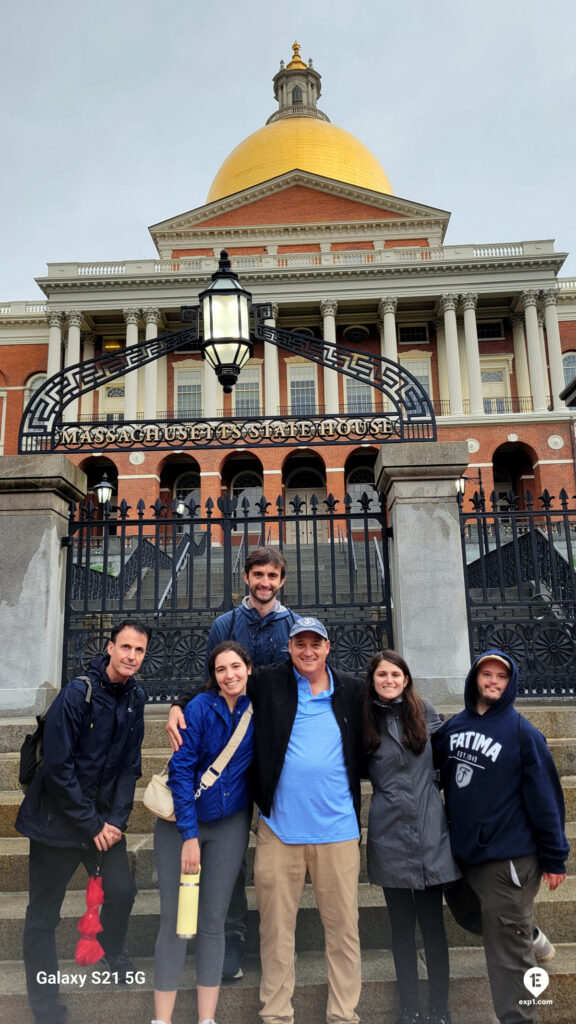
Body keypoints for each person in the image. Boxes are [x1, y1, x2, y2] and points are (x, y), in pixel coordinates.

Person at [167, 545, 299, 979]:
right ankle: (232, 936)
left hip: (276, 749)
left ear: (281, 581)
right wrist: (178, 704)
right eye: (257, 574)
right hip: (233, 751)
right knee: (233, 851)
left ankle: (278, 938)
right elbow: (211, 677)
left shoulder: (293, 625)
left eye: (272, 576)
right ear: (246, 577)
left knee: (280, 848)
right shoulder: (226, 623)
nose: (264, 582)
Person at [16, 619, 149, 1024]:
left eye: (139, 650)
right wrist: (92, 824)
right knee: (43, 917)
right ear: (110, 648)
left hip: (102, 824)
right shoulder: (77, 694)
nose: (131, 656)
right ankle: (45, 1006)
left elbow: (130, 768)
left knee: (123, 891)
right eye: (125, 647)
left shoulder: (135, 699)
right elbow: (57, 768)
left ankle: (110, 948)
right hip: (57, 823)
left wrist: (115, 822)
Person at [432, 650, 569, 1024]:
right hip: (464, 855)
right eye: (486, 674)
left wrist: (556, 857)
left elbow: (547, 799)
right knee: (470, 912)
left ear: (510, 684)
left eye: (501, 677)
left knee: (508, 956)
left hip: (509, 857)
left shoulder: (524, 734)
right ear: (474, 678)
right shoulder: (454, 727)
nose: (493, 681)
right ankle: (528, 930)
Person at [250, 616, 364, 1024]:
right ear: (290, 647)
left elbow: (398, 701)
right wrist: (177, 706)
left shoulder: (352, 690)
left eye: (316, 643)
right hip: (280, 830)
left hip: (338, 832)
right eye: (300, 643)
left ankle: (343, 1014)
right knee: (275, 933)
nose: (308, 651)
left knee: (344, 932)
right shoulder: (267, 683)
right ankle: (277, 1014)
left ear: (328, 647)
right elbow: (221, 680)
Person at [152, 641, 254, 1024]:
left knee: (213, 924)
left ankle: (206, 1019)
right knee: (175, 923)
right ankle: (162, 1019)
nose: (229, 675)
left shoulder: (255, 711)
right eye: (221, 669)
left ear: (248, 668)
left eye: (236, 667)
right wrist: (189, 835)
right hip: (181, 827)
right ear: (212, 675)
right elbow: (180, 772)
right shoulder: (197, 708)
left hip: (230, 826)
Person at [363, 650, 460, 1024]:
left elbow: (447, 761)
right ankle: (409, 1009)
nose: (389, 680)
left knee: (433, 927)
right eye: (382, 675)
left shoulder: (426, 712)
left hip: (429, 828)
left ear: (406, 678)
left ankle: (439, 1009)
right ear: (372, 680)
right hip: (389, 833)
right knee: (401, 930)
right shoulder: (366, 722)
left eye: (395, 674)